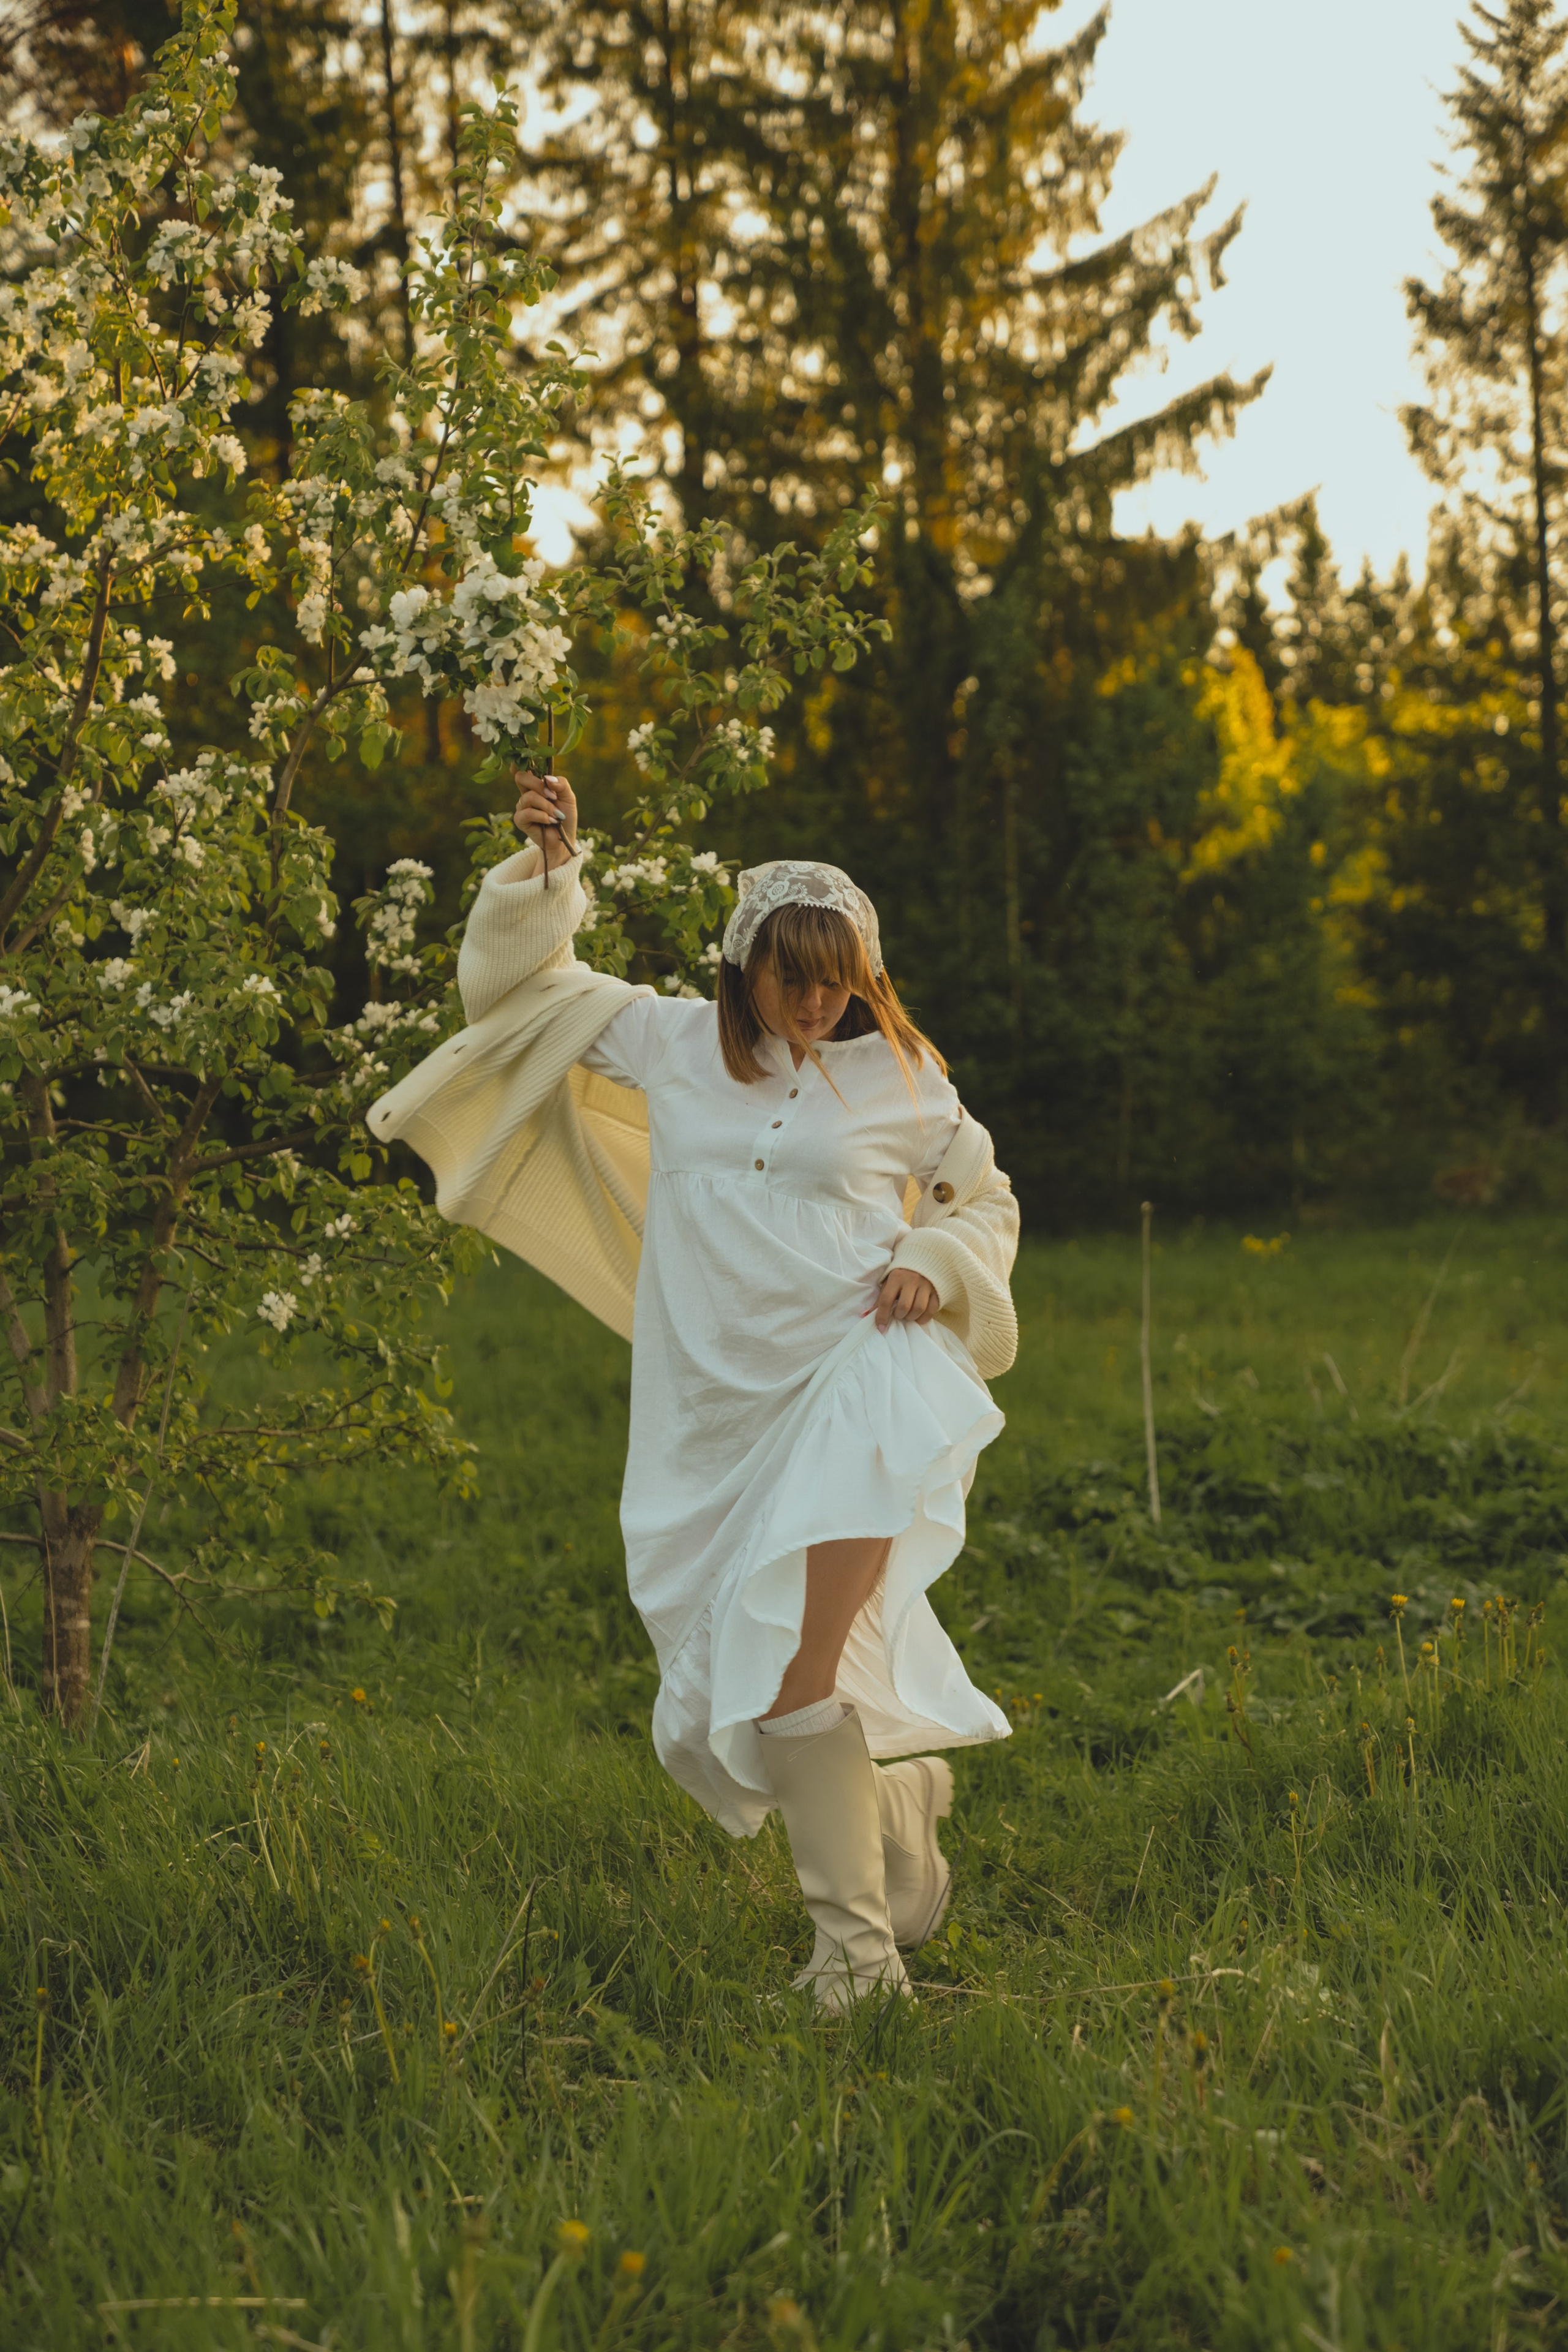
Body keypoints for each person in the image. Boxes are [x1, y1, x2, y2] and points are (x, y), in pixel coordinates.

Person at [369, 767, 1021, 2011]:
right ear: (743, 969)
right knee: (753, 1671)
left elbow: (979, 1199)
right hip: (716, 1407)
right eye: (795, 975)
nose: (820, 1000)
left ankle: (855, 1960)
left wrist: (936, 1263)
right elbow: (514, 997)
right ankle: (893, 1807)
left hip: (857, 1382)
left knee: (794, 1677)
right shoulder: (666, 1039)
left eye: (841, 976)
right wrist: (550, 872)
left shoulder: (902, 1072)